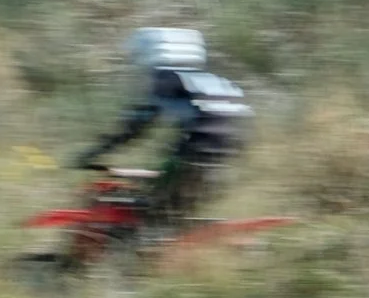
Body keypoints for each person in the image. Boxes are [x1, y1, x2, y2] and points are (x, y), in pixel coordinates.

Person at [76, 27, 252, 229]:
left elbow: (133, 128)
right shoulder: (217, 82)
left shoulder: (165, 80)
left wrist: (92, 154)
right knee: (172, 209)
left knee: (149, 215)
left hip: (193, 155)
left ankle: (138, 242)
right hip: (227, 159)